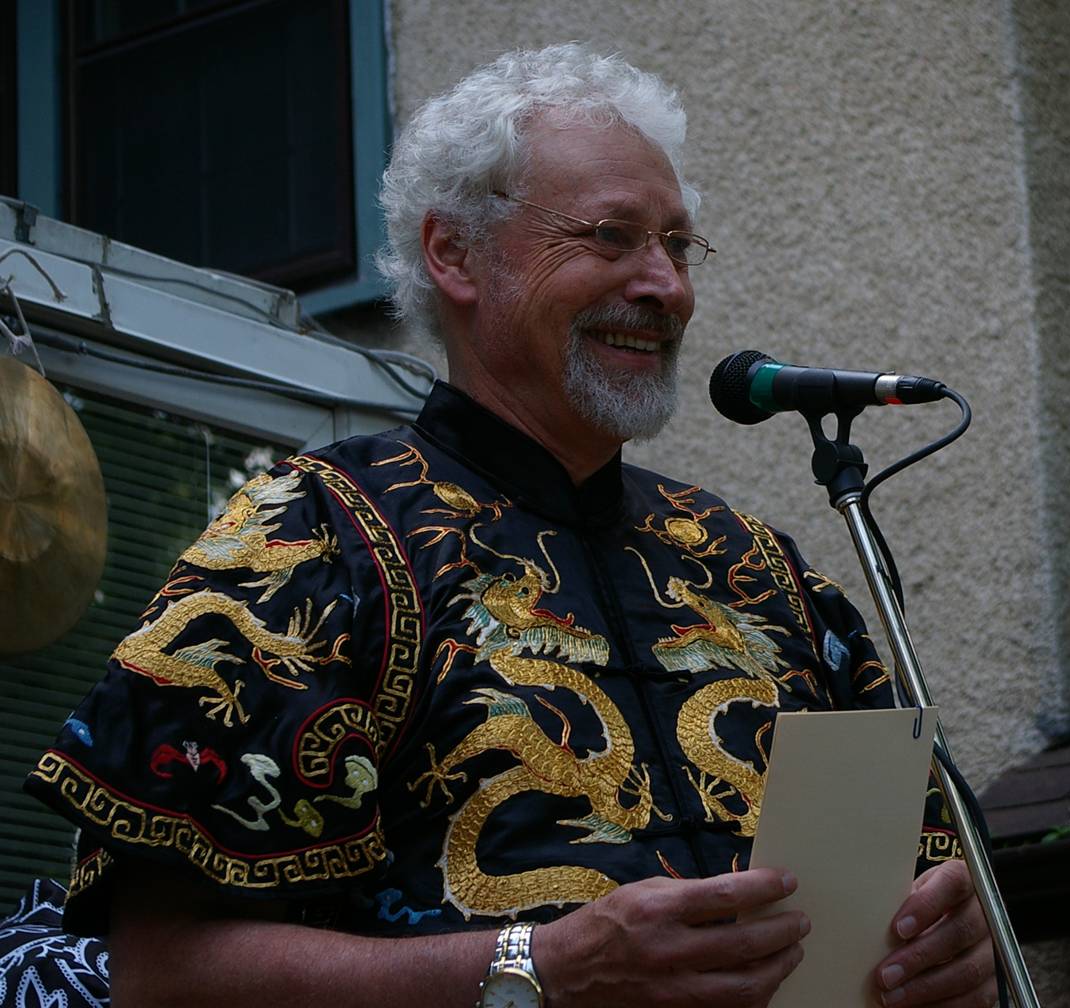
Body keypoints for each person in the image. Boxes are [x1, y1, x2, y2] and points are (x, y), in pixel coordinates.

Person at [26, 43, 996, 1007]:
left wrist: (949, 945)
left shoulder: (759, 569)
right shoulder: (309, 540)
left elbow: (920, 890)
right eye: (612, 237)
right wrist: (535, 971)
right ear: (455, 255)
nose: (667, 287)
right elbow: (162, 976)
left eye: (678, 244)